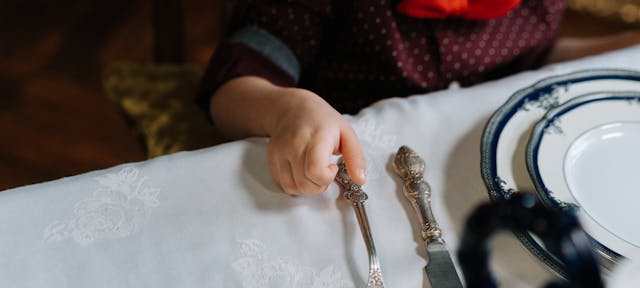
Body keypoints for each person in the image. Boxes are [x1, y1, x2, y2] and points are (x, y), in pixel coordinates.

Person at [196, 0, 640, 195]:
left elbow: (532, 58)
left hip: (475, 163)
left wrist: (624, 44)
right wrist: (287, 108)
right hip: (338, 173)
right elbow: (232, 84)